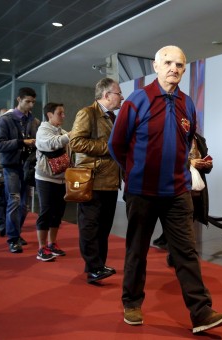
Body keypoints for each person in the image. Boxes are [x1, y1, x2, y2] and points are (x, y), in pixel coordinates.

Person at [109, 45, 222, 333]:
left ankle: (201, 313)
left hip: (177, 191)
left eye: (179, 64)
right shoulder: (137, 101)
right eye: (168, 62)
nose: (173, 68)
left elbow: (187, 140)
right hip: (142, 191)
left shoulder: (187, 104)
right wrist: (133, 173)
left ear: (184, 69)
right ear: (155, 66)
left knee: (186, 252)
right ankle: (132, 302)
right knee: (137, 249)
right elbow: (116, 144)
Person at [69, 77, 122, 283]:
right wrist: (109, 147)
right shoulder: (87, 113)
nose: (121, 97)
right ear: (107, 95)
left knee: (104, 227)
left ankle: (97, 264)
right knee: (90, 226)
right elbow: (76, 142)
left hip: (109, 181)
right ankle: (94, 267)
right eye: (118, 93)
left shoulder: (113, 117)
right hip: (92, 180)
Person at [152, 132, 212, 268]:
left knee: (190, 221)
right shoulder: (174, 136)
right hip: (179, 186)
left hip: (197, 188)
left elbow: (206, 163)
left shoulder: (200, 139)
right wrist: (190, 162)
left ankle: (180, 255)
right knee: (181, 224)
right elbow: (170, 159)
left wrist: (207, 165)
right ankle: (177, 255)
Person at [0, 87, 40, 253]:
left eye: (33, 102)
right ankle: (13, 239)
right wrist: (22, 142)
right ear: (19, 100)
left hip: (28, 167)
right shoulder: (5, 120)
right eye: (27, 101)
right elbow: (0, 145)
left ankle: (16, 232)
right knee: (14, 202)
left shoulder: (34, 121)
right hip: (11, 167)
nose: (30, 105)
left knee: (25, 206)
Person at [34, 103, 71, 262]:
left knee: (58, 213)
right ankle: (41, 248)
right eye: (60, 113)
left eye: (63, 113)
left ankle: (52, 243)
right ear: (49, 114)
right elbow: (50, 144)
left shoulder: (62, 132)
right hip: (45, 178)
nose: (63, 116)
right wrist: (71, 135)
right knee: (46, 212)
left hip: (61, 178)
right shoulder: (43, 130)